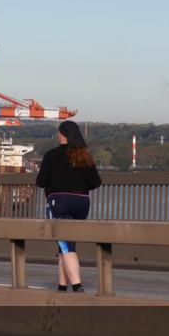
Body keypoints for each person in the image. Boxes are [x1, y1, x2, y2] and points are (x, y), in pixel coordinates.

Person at [36, 121, 101, 292]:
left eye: (58, 133)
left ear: (62, 134)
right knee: (65, 244)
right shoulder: (84, 155)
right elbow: (96, 182)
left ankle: (77, 286)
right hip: (81, 203)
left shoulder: (51, 155)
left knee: (66, 246)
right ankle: (62, 286)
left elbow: (40, 182)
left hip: (60, 203)